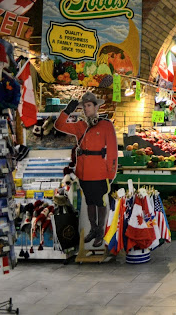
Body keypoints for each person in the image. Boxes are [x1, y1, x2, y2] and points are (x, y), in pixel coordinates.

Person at [54, 92, 117, 247]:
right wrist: (67, 111)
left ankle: (100, 232)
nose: (86, 109)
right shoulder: (81, 126)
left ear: (96, 107)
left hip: (101, 173)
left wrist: (111, 173)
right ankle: (93, 229)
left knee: (100, 203)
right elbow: (59, 125)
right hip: (84, 173)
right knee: (90, 202)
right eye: (84, 107)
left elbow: (113, 151)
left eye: (89, 106)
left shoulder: (106, 125)